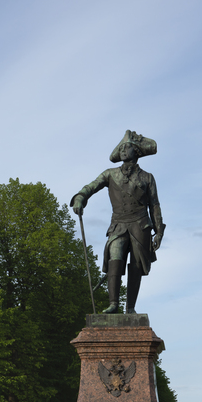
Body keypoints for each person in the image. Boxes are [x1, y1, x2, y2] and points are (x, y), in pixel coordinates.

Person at [71, 130, 165, 314]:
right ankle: (113, 304)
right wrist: (81, 197)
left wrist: (159, 232)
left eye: (126, 147)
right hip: (118, 225)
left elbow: (155, 206)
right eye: (120, 148)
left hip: (140, 225)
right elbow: (92, 185)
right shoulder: (110, 174)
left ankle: (130, 308)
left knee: (136, 264)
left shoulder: (147, 178)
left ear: (136, 152)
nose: (122, 150)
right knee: (115, 257)